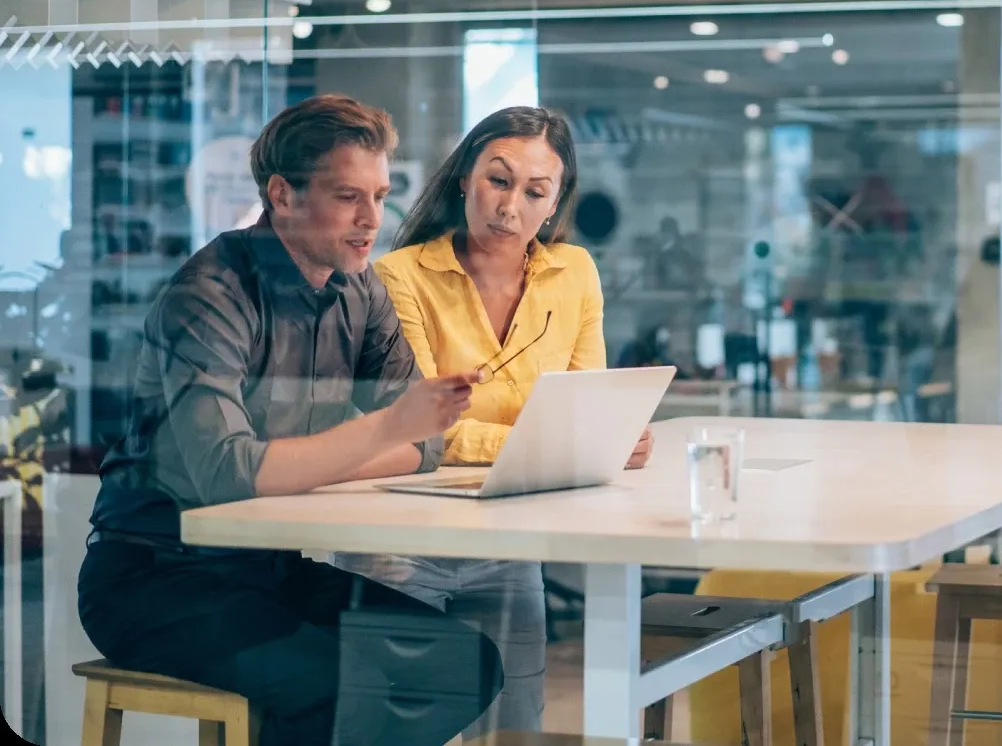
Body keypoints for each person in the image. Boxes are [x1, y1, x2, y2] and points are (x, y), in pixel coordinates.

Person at [77, 95, 503, 746]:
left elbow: (430, 438)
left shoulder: (359, 288)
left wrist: (329, 453)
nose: (371, 220)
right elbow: (230, 473)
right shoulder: (208, 295)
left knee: (468, 666)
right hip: (154, 579)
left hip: (268, 567)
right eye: (347, 197)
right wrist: (382, 431)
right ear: (282, 194)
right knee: (334, 691)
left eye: (381, 195)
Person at [335, 105, 653, 738]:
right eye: (498, 180)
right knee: (396, 726)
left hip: (510, 536)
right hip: (404, 537)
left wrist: (609, 439)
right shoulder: (399, 276)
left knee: (515, 725)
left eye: (536, 191)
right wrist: (564, 445)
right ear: (464, 178)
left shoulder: (575, 274)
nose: (511, 206)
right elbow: (422, 432)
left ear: (556, 200)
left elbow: (587, 411)